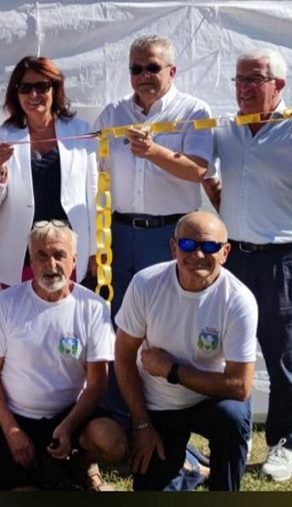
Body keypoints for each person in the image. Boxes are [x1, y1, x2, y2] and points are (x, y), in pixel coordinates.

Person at [114, 211, 258, 491]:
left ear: (225, 252)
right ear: (173, 248)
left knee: (232, 418)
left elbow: (240, 386)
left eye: (210, 246)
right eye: (188, 244)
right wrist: (141, 424)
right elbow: (123, 355)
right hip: (160, 404)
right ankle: (191, 464)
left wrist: (173, 371)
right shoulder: (146, 284)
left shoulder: (239, 301)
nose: (198, 254)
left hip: (211, 401)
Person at [0, 221, 125, 490]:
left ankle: (81, 461)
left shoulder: (93, 307)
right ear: (30, 261)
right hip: (17, 418)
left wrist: (69, 426)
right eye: (41, 255)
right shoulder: (7, 303)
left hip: (69, 416)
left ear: (74, 261)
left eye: (59, 255)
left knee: (112, 440)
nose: (51, 264)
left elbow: (97, 384)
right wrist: (12, 431)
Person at [211, 49, 292, 482]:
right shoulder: (226, 128)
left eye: (253, 80)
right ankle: (224, 437)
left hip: (281, 259)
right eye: (238, 80)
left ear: (278, 85)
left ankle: (285, 441)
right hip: (232, 257)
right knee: (220, 349)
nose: (242, 88)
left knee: (282, 356)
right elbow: (205, 173)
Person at [92, 35, 213, 316]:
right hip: (119, 233)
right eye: (136, 69)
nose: (144, 75)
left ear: (172, 71)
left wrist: (153, 152)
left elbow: (198, 170)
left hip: (169, 234)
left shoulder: (194, 111)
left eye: (152, 68)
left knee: (167, 317)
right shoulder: (113, 113)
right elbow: (91, 168)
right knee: (120, 316)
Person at [0, 56, 97, 289]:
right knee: (23, 311)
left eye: (42, 87)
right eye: (25, 88)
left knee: (65, 309)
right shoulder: (2, 136)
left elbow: (92, 193)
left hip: (68, 250)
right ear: (16, 93)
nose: (33, 95)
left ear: (55, 88)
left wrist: (95, 249)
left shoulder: (81, 131)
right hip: (21, 252)